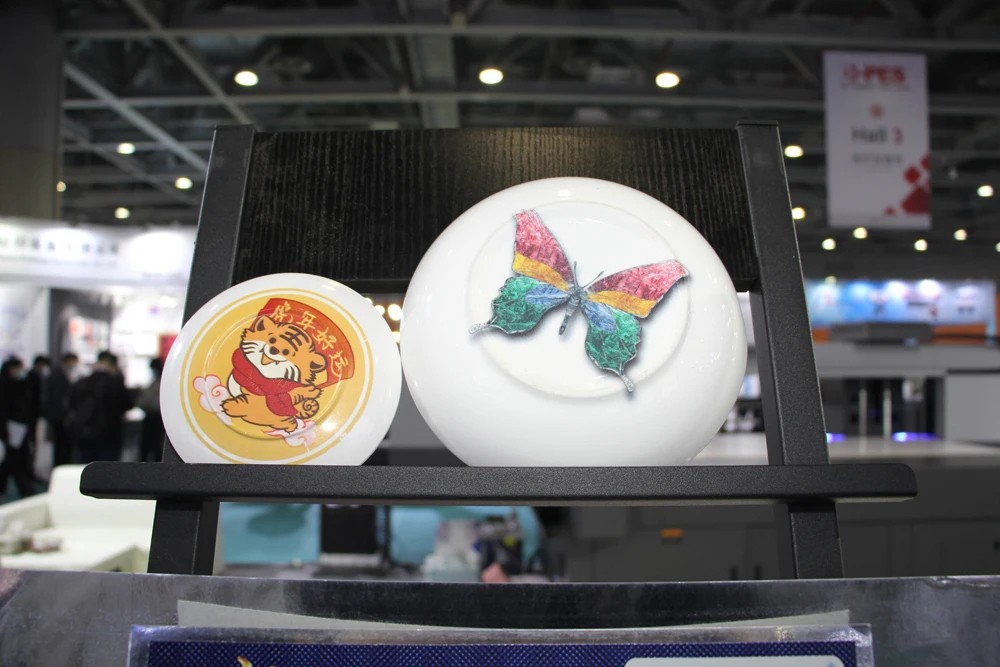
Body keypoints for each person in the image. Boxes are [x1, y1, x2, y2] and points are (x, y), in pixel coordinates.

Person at [68, 351, 132, 462]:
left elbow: (71, 405)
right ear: (113, 365)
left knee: (85, 466)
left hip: (85, 433)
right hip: (110, 434)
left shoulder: (81, 382)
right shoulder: (115, 384)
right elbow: (127, 405)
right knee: (107, 468)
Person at [0, 357, 37, 498]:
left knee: (11, 460)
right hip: (10, 430)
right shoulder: (4, 387)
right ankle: (25, 488)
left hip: (21, 429)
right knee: (14, 460)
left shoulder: (21, 385)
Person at [44, 353, 79, 467]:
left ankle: (62, 463)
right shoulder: (58, 374)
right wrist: (64, 414)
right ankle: (59, 465)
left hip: (61, 414)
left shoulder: (62, 373)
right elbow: (59, 396)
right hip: (58, 415)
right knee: (60, 443)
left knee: (63, 443)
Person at [137, 358, 164, 462]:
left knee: (155, 448)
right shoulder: (155, 382)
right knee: (149, 447)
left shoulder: (159, 383)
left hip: (156, 419)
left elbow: (145, 402)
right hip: (153, 419)